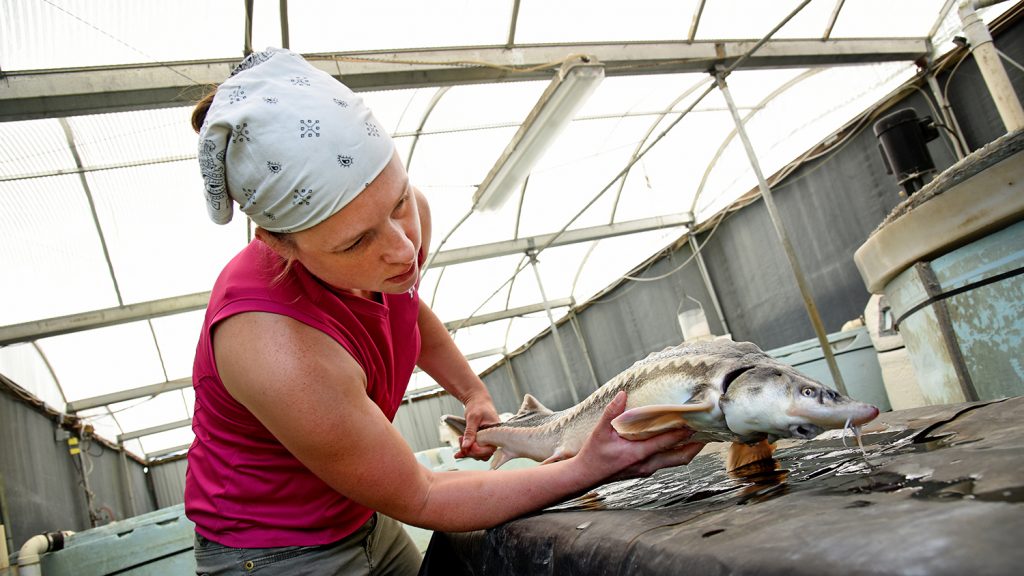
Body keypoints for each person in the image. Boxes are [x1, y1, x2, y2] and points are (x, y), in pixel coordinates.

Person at [184, 47, 705, 576]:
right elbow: (425, 495)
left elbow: (407, 308)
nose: (404, 250)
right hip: (274, 554)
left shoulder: (401, 235)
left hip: (364, 516)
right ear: (283, 247)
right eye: (356, 242)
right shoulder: (272, 343)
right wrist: (591, 466)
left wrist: (472, 391)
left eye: (398, 202)